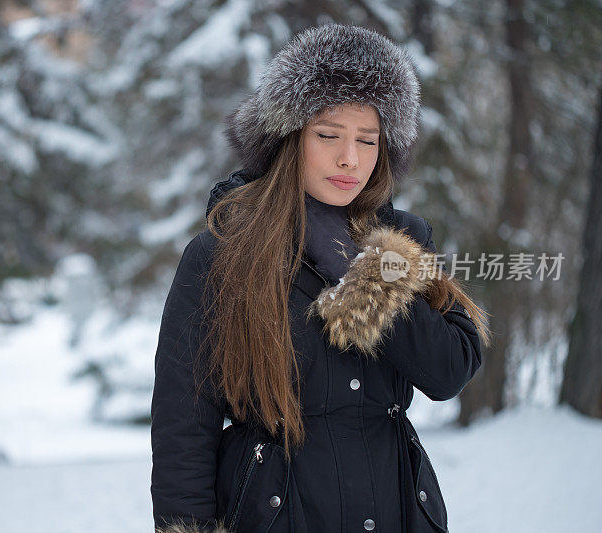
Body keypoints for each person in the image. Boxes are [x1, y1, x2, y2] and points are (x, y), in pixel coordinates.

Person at [151, 23, 490, 533]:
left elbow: (448, 370)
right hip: (275, 512)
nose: (349, 158)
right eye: (328, 135)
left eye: (368, 140)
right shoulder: (220, 255)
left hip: (395, 507)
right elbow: (184, 423)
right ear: (289, 139)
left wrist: (365, 277)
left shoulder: (401, 243)